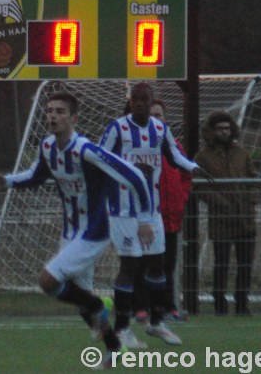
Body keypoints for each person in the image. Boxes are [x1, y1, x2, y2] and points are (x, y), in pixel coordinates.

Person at [0, 91, 154, 364]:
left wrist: (145, 218)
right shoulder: (47, 147)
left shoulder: (86, 151)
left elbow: (134, 175)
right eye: (50, 111)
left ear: (74, 118)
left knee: (48, 281)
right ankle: (114, 349)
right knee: (81, 306)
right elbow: (35, 176)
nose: (53, 116)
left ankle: (100, 305)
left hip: (94, 231)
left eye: (60, 111)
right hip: (70, 232)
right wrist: (6, 182)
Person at [100, 84, 206, 348]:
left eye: (143, 99)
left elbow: (175, 157)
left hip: (153, 208)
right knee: (130, 266)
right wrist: (128, 168)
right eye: (135, 99)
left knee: (158, 264)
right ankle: (122, 329)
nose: (139, 103)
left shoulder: (160, 130)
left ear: (150, 102)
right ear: (130, 101)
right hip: (124, 211)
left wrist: (194, 167)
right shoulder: (117, 128)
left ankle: (157, 322)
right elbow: (100, 158)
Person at [131, 98, 193, 324]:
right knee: (142, 264)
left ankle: (168, 306)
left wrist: (181, 197)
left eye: (159, 115)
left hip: (170, 215)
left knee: (168, 264)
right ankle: (141, 307)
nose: (155, 119)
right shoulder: (135, 146)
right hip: (146, 217)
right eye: (151, 114)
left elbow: (185, 174)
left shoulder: (174, 144)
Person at [194, 110, 258, 316]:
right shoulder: (203, 157)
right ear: (211, 131)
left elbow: (254, 178)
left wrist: (251, 200)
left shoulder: (242, 153)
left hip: (245, 219)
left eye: (227, 128)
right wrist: (222, 203)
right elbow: (200, 187)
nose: (224, 132)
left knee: (245, 265)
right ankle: (220, 304)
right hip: (221, 220)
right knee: (221, 264)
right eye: (220, 128)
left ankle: (242, 303)